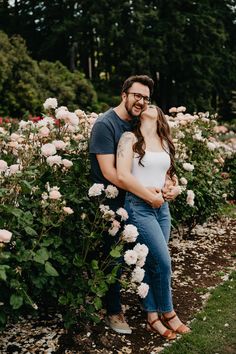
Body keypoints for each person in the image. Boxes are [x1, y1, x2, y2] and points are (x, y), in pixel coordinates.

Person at [89, 75, 170, 334]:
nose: (141, 101)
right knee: (112, 259)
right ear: (124, 94)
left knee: (147, 257)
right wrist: (146, 193)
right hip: (110, 204)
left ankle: (151, 308)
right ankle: (113, 311)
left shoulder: (138, 123)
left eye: (145, 97)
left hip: (138, 203)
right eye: (137, 95)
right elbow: (112, 173)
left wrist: (167, 184)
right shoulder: (105, 125)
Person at [116, 105, 191, 340]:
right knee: (164, 262)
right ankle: (168, 312)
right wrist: (146, 193)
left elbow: (169, 175)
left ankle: (151, 317)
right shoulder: (129, 138)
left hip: (162, 208)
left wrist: (174, 188)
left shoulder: (164, 140)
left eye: (153, 103)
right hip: (139, 207)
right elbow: (122, 174)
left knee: (152, 263)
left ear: (160, 116)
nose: (148, 105)